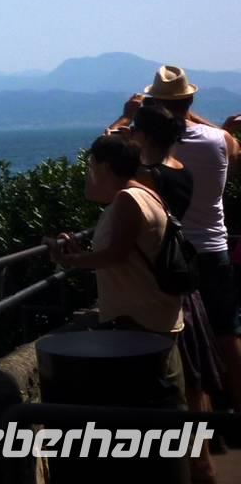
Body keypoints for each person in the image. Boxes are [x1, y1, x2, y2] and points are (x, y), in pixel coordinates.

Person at [110, 64, 241, 407]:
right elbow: (233, 151)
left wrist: (125, 118)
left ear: (154, 105)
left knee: (184, 339)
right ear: (190, 100)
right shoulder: (221, 140)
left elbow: (104, 156)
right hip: (216, 248)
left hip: (173, 256)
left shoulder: (148, 148)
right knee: (227, 331)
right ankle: (237, 410)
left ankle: (198, 429)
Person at [49, 133, 184, 404]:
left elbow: (115, 255)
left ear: (105, 166)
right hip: (154, 309)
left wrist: (66, 260)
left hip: (139, 316)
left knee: (157, 403)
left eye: (92, 164)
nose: (89, 169)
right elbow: (125, 251)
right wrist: (81, 253)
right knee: (166, 395)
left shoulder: (127, 200)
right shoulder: (144, 192)